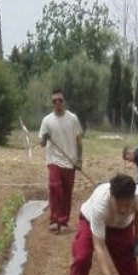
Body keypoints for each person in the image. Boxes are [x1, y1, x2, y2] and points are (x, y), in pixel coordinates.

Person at [39, 88, 83, 233]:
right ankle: (54, 220)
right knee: (54, 188)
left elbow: (78, 141)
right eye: (54, 101)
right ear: (52, 103)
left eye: (60, 100)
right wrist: (44, 138)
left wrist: (79, 160)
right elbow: (42, 143)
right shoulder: (47, 120)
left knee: (66, 192)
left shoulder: (73, 119)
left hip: (70, 161)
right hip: (53, 160)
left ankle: (63, 222)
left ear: (64, 102)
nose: (57, 103)